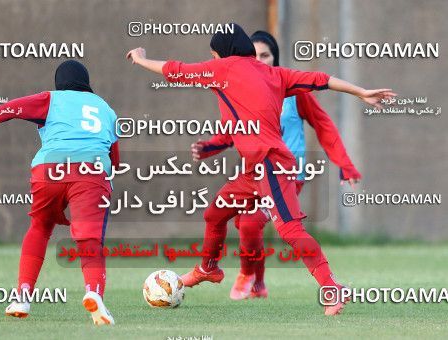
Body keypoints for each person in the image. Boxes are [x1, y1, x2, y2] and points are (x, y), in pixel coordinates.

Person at [126, 23, 395, 315]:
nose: (213, 60)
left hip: (271, 164)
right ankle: (208, 269)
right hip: (254, 168)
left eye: (214, 55)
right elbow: (320, 79)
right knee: (214, 214)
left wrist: (140, 59)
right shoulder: (275, 74)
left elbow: (175, 70)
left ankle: (331, 288)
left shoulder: (225, 68)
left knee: (290, 229)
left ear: (223, 54)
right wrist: (360, 92)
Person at [191, 30, 361, 300]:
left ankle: (254, 278)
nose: (259, 60)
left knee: (250, 224)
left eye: (265, 55)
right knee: (225, 216)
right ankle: (251, 279)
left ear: (275, 57)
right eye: (254, 55)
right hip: (256, 171)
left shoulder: (292, 90)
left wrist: (344, 163)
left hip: (287, 175)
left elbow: (324, 125)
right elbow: (231, 132)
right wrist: (209, 147)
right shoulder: (241, 90)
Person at [0, 60, 119, 326]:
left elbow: (5, 110)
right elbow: (116, 159)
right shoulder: (106, 109)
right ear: (86, 83)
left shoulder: (49, 99)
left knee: (40, 227)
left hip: (49, 169)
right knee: (89, 240)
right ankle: (94, 294)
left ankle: (22, 296)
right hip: (92, 172)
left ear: (59, 83)